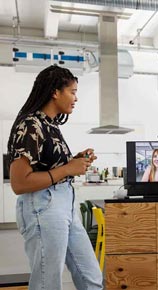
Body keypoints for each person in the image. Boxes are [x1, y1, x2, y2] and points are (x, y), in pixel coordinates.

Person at [7, 65, 103, 290]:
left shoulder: (50, 125)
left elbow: (51, 165)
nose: (76, 98)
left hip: (64, 204)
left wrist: (74, 161)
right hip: (43, 206)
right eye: (72, 91)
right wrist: (68, 169)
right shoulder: (30, 125)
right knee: (47, 282)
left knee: (91, 277)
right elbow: (19, 183)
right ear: (55, 92)